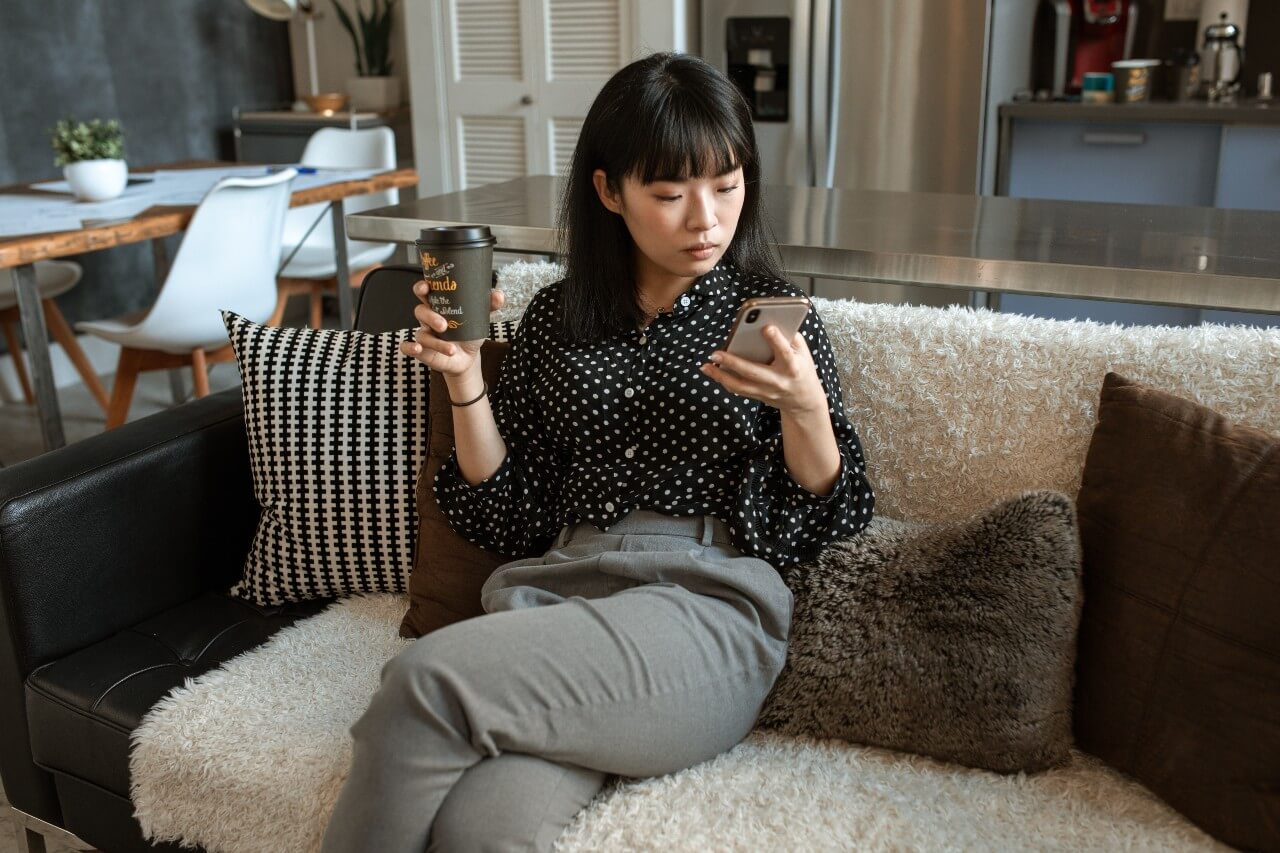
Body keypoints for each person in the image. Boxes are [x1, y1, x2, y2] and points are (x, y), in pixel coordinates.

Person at [321, 52, 874, 853]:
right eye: (670, 191)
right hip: (560, 594)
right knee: (479, 831)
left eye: (727, 184)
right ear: (609, 190)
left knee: (425, 680)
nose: (706, 219)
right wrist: (466, 379)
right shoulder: (556, 320)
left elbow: (831, 511)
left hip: (705, 609)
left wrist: (807, 410)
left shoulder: (771, 319)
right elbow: (507, 507)